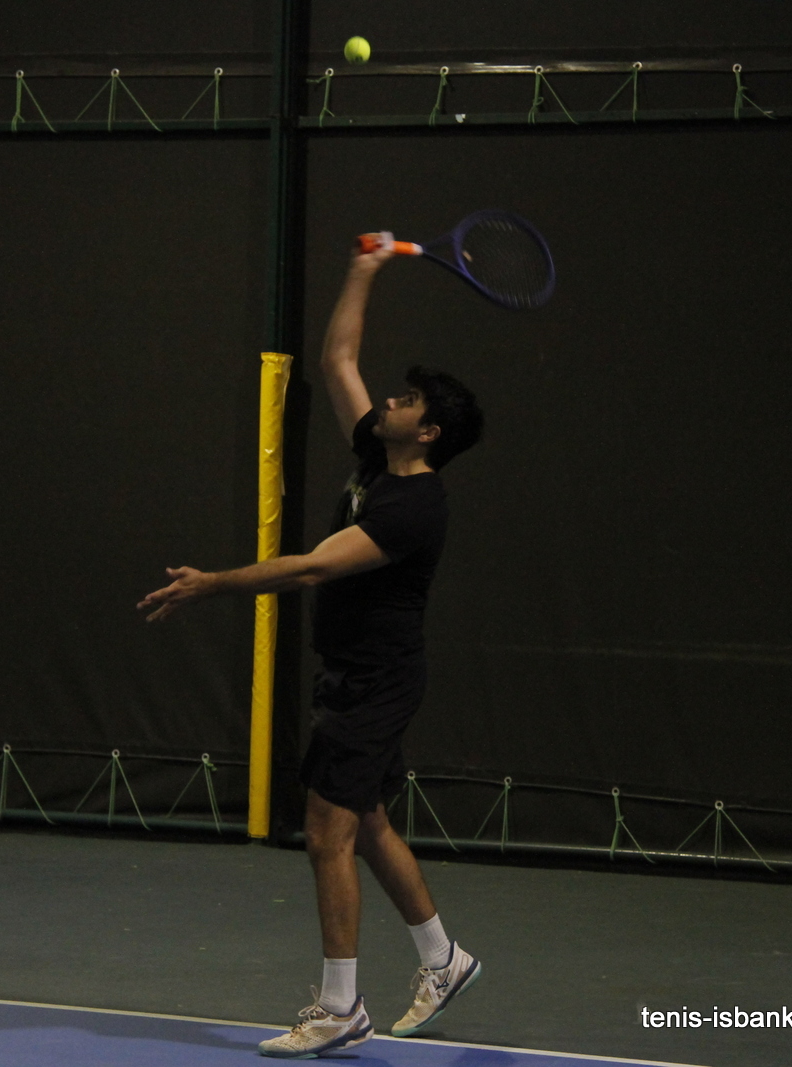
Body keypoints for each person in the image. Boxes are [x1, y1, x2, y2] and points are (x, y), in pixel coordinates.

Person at [138, 237, 485, 1058]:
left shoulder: (412, 509)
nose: (389, 400)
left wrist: (210, 583)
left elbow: (310, 568)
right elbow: (337, 359)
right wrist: (365, 269)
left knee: (328, 832)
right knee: (368, 819)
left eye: (406, 400)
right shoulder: (379, 455)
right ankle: (444, 958)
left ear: (428, 431)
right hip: (360, 675)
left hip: (374, 682)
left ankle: (340, 1007)